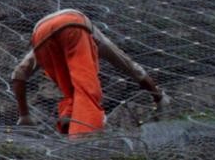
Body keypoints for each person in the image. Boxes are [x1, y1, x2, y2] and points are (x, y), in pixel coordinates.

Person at [10, 8, 165, 135]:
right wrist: (158, 96)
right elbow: (133, 68)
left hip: (40, 34)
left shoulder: (39, 47)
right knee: (86, 89)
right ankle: (85, 138)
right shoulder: (98, 40)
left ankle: (68, 123)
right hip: (73, 22)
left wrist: (24, 115)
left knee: (72, 93)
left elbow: (18, 74)